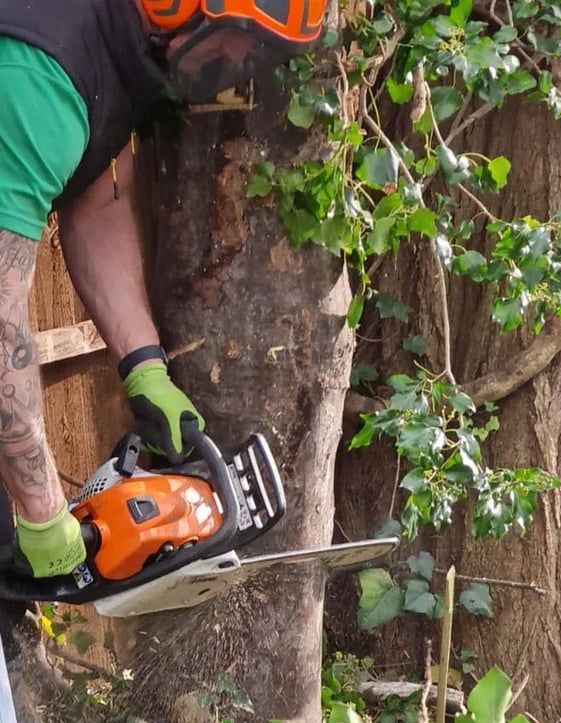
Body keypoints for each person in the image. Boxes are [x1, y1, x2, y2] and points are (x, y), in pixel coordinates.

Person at [0, 0, 328, 716]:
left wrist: (144, 364)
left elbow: (96, 200)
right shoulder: (39, 69)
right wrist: (42, 511)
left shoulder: (118, 51)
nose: (235, 66)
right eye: (235, 42)